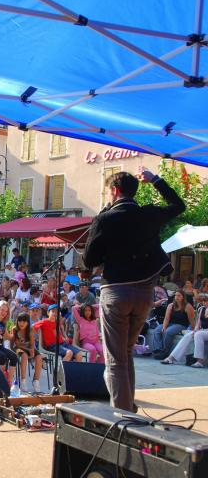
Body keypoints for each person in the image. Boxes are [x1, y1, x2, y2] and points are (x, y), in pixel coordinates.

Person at [83, 168, 185, 411]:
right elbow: (177, 205)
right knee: (126, 353)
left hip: (116, 293)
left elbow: (89, 260)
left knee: (115, 360)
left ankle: (122, 416)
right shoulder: (148, 214)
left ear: (114, 191)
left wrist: (102, 221)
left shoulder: (106, 218)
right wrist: (156, 180)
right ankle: (128, 408)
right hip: (143, 294)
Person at [161, 293, 208, 367]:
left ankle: (200, 361)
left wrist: (199, 331)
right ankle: (172, 358)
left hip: (205, 331)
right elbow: (198, 324)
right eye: (204, 301)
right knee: (188, 335)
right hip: (202, 331)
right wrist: (195, 330)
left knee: (199, 334)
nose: (205, 303)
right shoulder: (202, 309)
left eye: (206, 301)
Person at [152, 289, 195, 359]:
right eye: (176, 295)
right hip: (170, 323)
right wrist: (164, 327)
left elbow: (191, 320)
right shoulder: (171, 305)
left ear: (183, 297)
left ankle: (165, 350)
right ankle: (158, 349)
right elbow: (166, 318)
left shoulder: (187, 306)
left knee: (168, 332)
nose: (177, 297)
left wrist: (193, 329)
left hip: (181, 325)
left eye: (179, 295)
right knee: (157, 330)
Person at [11, 313, 43, 392]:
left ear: (28, 322)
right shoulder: (15, 329)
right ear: (17, 321)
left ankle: (36, 380)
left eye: (24, 321)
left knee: (39, 357)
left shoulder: (30, 330)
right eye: (20, 321)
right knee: (24, 356)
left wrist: (32, 350)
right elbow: (17, 344)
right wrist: (28, 350)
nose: (21, 323)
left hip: (28, 347)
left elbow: (32, 344)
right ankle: (23, 380)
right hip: (18, 348)